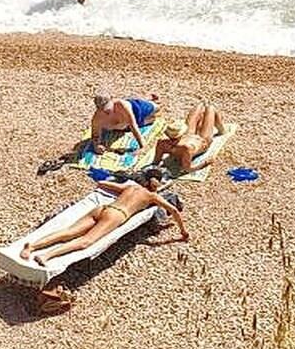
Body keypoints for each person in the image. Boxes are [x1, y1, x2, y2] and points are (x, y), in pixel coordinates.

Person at [20, 172, 186, 263]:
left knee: (69, 232)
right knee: (86, 242)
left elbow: (102, 184)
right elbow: (174, 211)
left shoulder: (130, 187)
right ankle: (47, 256)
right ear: (154, 184)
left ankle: (32, 246)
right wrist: (183, 231)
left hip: (102, 208)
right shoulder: (152, 196)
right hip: (117, 215)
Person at [156, 103, 226, 175]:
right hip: (202, 141)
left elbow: (155, 163)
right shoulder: (185, 148)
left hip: (189, 137)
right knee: (210, 109)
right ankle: (221, 130)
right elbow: (187, 169)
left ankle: (203, 105)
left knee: (200, 109)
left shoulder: (162, 143)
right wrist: (205, 163)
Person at [90, 94, 154, 150]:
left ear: (112, 100)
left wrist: (142, 145)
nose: (106, 111)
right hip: (123, 127)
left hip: (136, 111)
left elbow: (133, 125)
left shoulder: (122, 105)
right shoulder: (97, 118)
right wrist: (97, 146)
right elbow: (95, 135)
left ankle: (150, 99)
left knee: (155, 111)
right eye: (103, 109)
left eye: (108, 109)